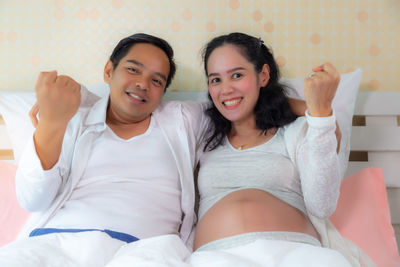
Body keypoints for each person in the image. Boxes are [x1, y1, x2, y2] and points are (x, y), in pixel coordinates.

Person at [0, 33, 209, 266]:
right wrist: (51, 123)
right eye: (133, 70)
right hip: (57, 241)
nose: (143, 84)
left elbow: (234, 105)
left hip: (142, 250)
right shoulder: (73, 118)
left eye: (157, 81)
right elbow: (32, 199)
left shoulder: (183, 120)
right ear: (109, 71)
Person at [188, 32, 373, 266]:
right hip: (217, 257)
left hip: (295, 254)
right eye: (215, 79)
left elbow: (322, 205)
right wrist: (297, 104)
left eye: (236, 75)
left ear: (263, 75)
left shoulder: (298, 132)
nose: (225, 89)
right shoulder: (201, 133)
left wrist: (320, 113)